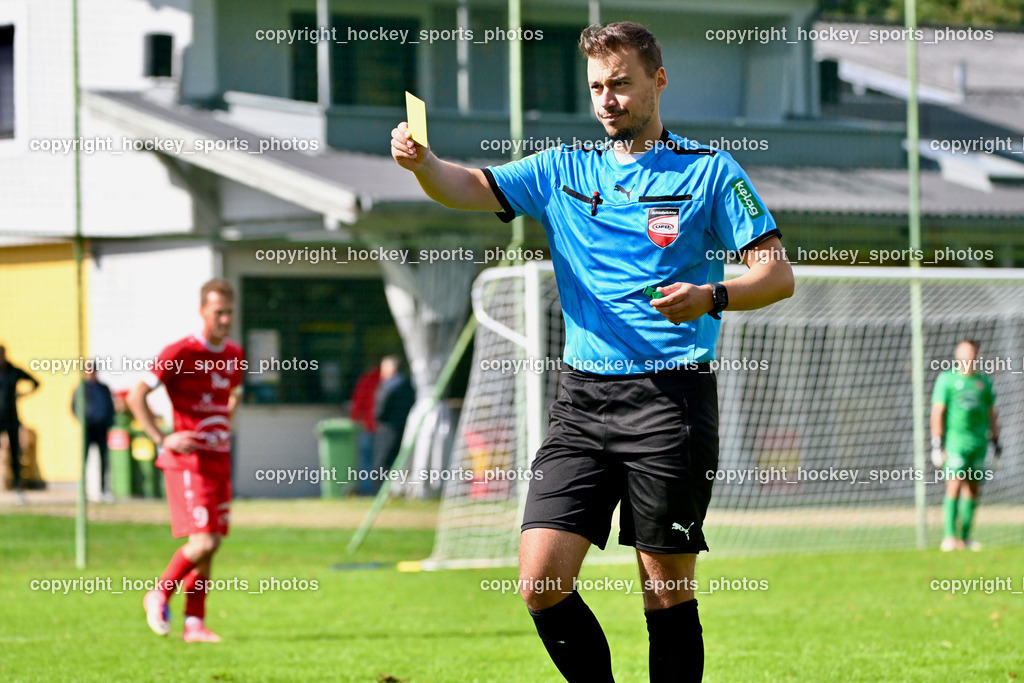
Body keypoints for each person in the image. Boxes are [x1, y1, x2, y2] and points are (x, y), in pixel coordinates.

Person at [390, 21, 793, 681]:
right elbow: (466, 188)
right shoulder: (561, 168)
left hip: (670, 401)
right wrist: (423, 165)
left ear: (658, 81)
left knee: (665, 589)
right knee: (540, 580)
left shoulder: (710, 171)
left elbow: (776, 275)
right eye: (598, 87)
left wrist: (711, 295)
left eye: (621, 84)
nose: (608, 99)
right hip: (581, 402)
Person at [127, 279, 244, 643]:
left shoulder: (234, 354)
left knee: (211, 546)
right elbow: (135, 396)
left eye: (229, 312)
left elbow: (232, 395)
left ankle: (195, 623)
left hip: (219, 462)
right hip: (189, 463)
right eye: (218, 312)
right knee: (203, 543)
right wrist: (163, 438)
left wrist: (226, 421)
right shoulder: (181, 352)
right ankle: (159, 592)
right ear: (202, 311)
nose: (225, 319)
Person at [930, 339, 1000, 552]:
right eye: (964, 352)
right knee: (954, 484)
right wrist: (937, 443)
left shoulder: (983, 382)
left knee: (973, 488)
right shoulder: (947, 380)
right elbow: (937, 411)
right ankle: (949, 537)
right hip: (955, 443)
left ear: (976, 356)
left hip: (978, 443)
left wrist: (996, 442)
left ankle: (966, 538)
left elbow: (992, 414)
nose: (968, 357)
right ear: (957, 355)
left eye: (971, 353)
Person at [0, 345, 40, 503]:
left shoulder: (13, 371)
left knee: (15, 453)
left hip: (11, 418)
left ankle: (18, 489)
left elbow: (36, 382)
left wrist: (23, 394)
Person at [72, 364, 116, 502]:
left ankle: (103, 490)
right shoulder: (81, 388)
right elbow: (74, 407)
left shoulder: (104, 388)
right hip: (88, 428)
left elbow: (110, 407)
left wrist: (109, 422)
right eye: (89, 371)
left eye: (93, 371)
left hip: (102, 428)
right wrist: (84, 420)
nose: (91, 374)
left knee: (104, 459)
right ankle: (83, 491)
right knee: (84, 459)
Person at [371, 355, 416, 485]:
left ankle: (381, 490)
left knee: (382, 462)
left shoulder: (389, 387)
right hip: (404, 428)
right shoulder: (409, 385)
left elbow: (380, 411)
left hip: (388, 430)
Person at [349, 360, 381, 495]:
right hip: (386, 428)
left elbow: (358, 401)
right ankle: (381, 489)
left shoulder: (367, 379)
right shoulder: (388, 380)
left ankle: (367, 489)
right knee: (382, 460)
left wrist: (354, 418)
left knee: (366, 460)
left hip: (369, 426)